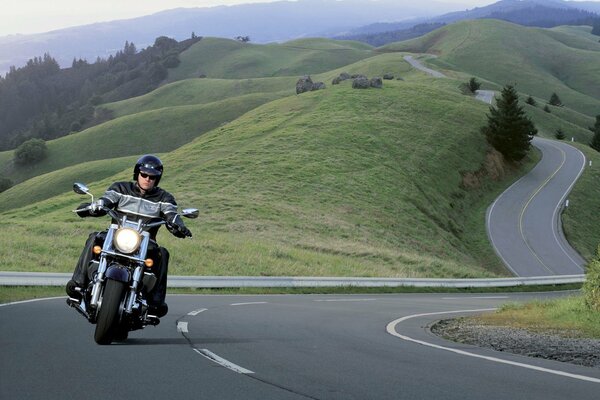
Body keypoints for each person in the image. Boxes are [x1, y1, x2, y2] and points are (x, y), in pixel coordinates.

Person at [66, 154, 192, 317]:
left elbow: (171, 214)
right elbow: (106, 200)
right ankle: (78, 284)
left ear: (157, 179)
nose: (148, 179)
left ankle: (156, 301)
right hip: (116, 238)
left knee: (162, 253)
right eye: (144, 175)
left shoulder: (164, 198)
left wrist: (178, 225)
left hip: (146, 244)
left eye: (152, 177)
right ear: (137, 174)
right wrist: (96, 206)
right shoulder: (120, 188)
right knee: (94, 237)